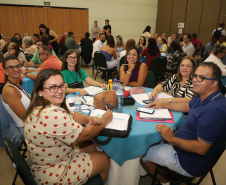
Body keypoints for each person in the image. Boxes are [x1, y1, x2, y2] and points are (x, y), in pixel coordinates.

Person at [23, 68, 112, 185]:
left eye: (61, 86)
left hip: (48, 161)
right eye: (52, 87)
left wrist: (89, 118)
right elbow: (87, 134)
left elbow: (72, 115)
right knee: (105, 159)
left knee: (90, 145)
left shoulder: (40, 106)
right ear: (40, 91)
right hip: (54, 174)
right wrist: (105, 120)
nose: (59, 91)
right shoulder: (52, 115)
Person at [142, 62, 226, 184]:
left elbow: (201, 149)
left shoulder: (213, 110)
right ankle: (164, 170)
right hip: (183, 147)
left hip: (187, 161)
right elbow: (188, 106)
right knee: (153, 139)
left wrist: (171, 139)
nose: (195, 80)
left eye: (201, 78)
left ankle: (165, 182)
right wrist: (162, 105)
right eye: (195, 76)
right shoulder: (206, 94)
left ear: (214, 83)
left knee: (140, 152)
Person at [1, 55, 31, 139]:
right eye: (11, 67)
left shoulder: (16, 85)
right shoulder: (10, 91)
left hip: (29, 124)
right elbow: (25, 117)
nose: (16, 69)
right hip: (26, 129)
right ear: (5, 71)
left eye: (18, 66)